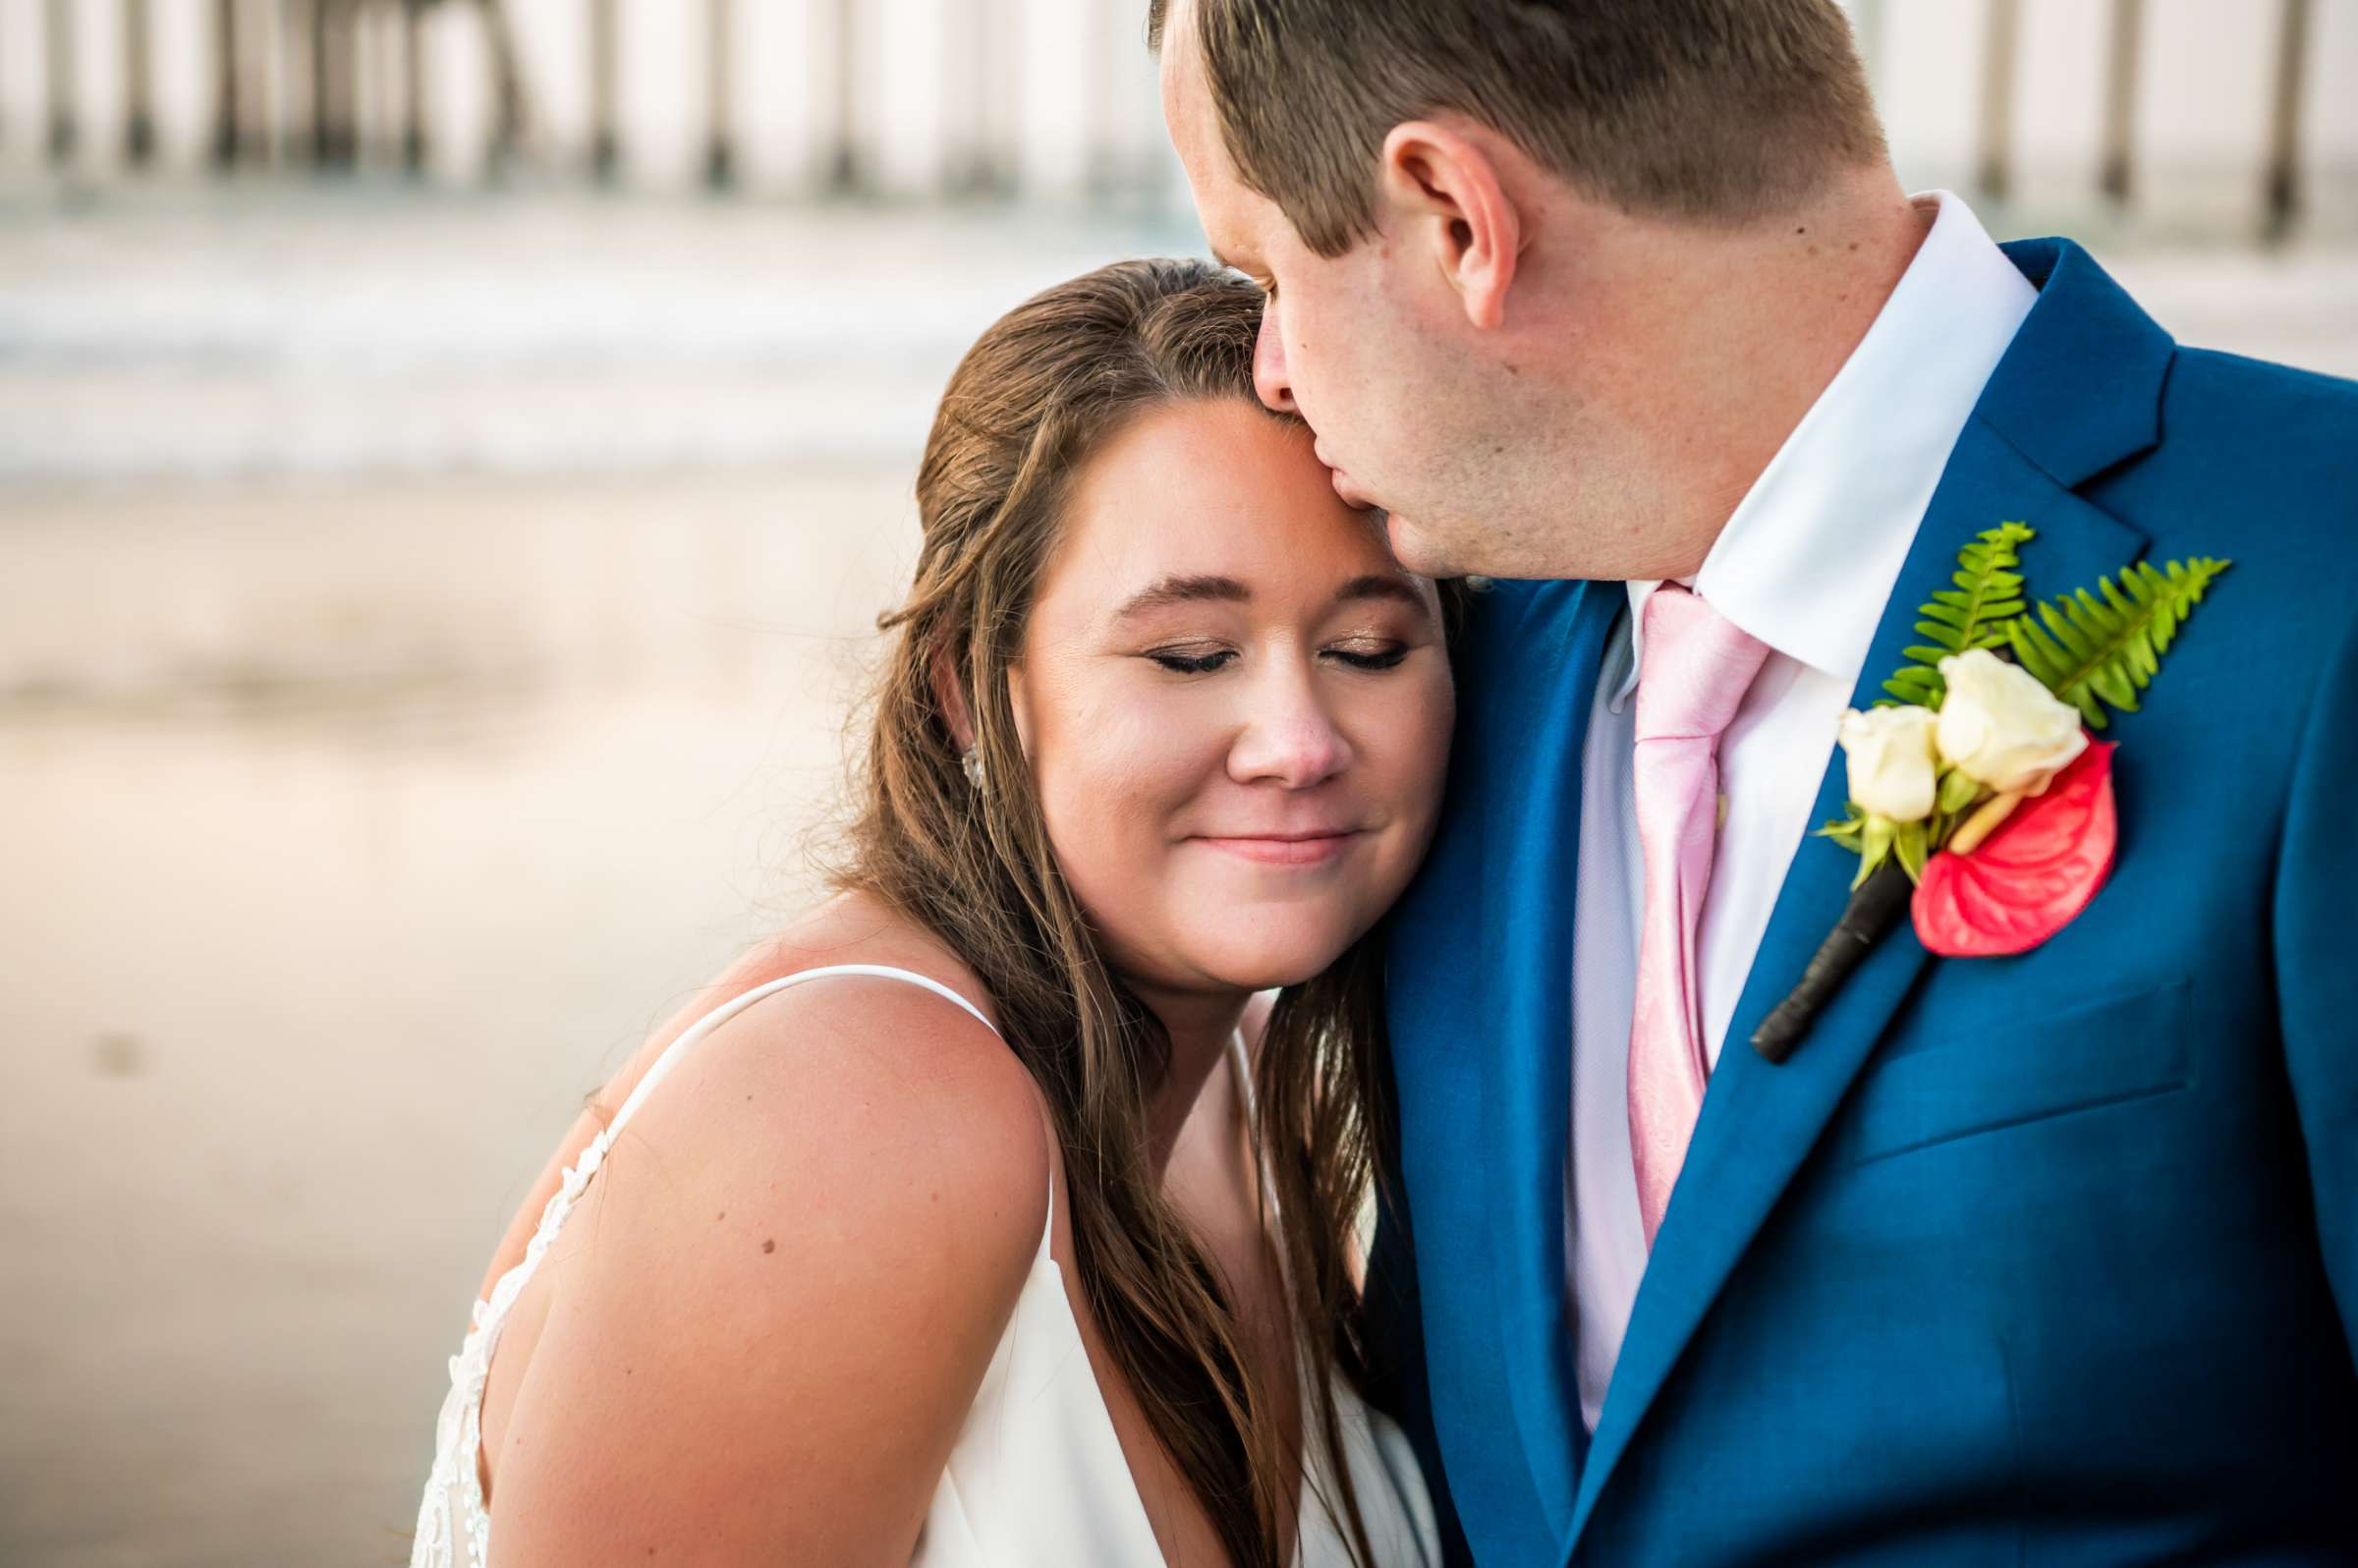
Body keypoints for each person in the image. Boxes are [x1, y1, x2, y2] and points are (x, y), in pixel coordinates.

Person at [1154, 0, 2358, 1563]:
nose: (1271, 373)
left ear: (1460, 218)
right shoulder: (1431, 686)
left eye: (1268, 279)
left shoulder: (2321, 595)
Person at [410, 259, 1451, 1567]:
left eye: (1367, 649)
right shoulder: (860, 1119)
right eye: (1190, 655)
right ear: (971, 689)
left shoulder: (1245, 1099)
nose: (1299, 741)